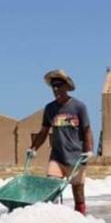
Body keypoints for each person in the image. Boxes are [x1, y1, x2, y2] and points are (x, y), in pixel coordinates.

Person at [29, 69, 92, 214]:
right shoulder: (50, 108)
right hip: (57, 157)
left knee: (78, 190)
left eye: (59, 85)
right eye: (53, 86)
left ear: (66, 86)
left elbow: (87, 130)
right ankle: (54, 219)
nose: (56, 89)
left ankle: (80, 217)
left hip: (76, 157)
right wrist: (33, 148)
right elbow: (44, 131)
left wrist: (88, 151)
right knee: (51, 189)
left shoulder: (79, 107)